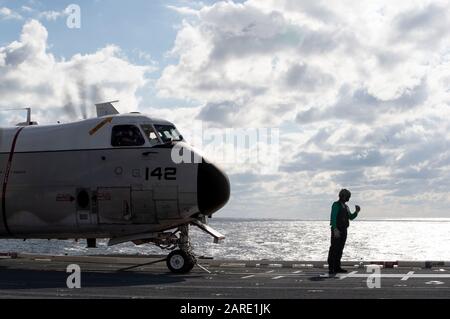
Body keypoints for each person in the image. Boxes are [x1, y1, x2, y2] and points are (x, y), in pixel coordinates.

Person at [327, 189, 360, 275]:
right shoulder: (336, 205)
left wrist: (356, 212)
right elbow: (333, 217)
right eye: (347, 196)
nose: (348, 198)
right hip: (337, 229)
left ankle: (337, 267)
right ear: (343, 196)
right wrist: (335, 229)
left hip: (344, 230)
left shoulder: (346, 207)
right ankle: (331, 267)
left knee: (340, 249)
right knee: (334, 248)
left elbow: (351, 217)